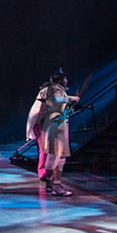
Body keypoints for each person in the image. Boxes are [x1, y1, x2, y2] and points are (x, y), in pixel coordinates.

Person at [26, 68, 79, 196]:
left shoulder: (53, 91)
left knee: (52, 156)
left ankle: (50, 182)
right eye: (65, 79)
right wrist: (73, 99)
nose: (67, 81)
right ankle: (56, 185)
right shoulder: (53, 90)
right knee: (58, 157)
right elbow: (58, 100)